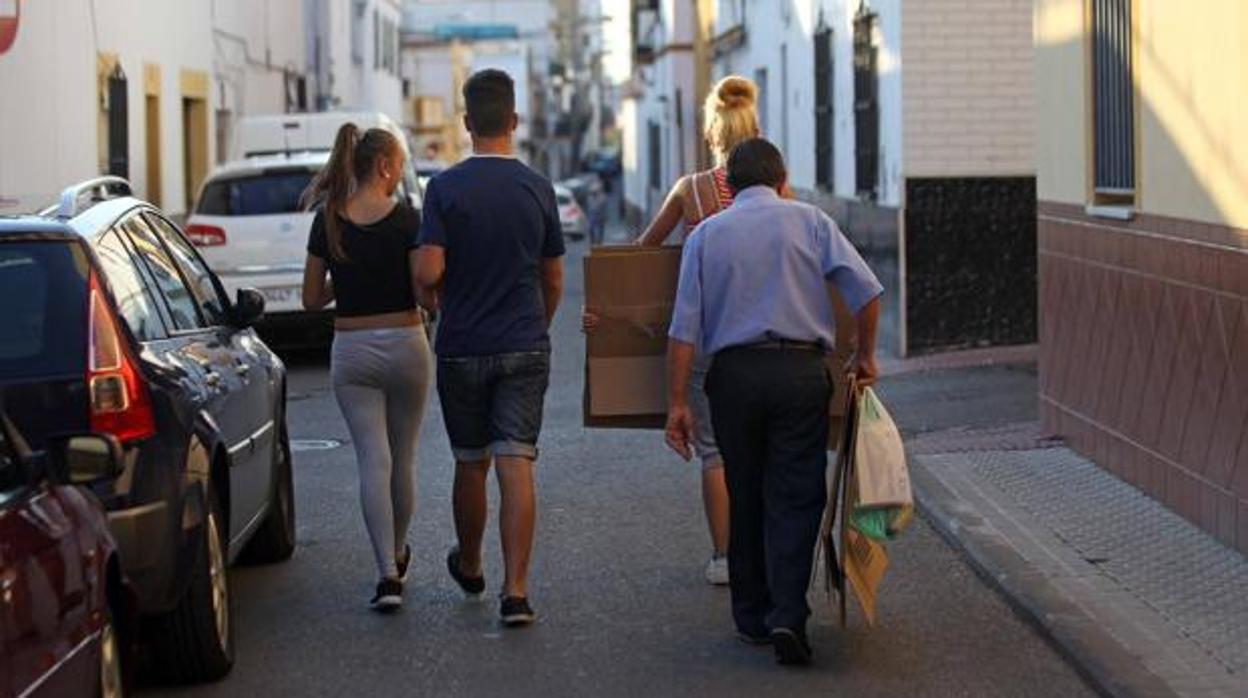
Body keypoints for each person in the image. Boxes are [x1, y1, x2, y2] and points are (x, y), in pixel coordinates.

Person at [666, 138, 883, 666]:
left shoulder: (708, 234)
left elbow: (683, 329)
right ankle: (788, 612)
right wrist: (865, 355)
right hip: (800, 374)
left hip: (734, 378)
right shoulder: (811, 221)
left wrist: (676, 402)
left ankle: (752, 615)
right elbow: (867, 291)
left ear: (731, 187)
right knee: (797, 493)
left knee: (745, 491)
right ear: (782, 180)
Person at [583, 75, 762, 586]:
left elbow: (642, 256)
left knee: (715, 452)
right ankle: (763, 550)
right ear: (755, 132)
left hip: (705, 340)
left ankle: (724, 557)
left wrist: (608, 317)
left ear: (710, 134)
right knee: (761, 448)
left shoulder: (691, 191)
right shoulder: (777, 187)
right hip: (763, 337)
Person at [415, 69, 565, 628]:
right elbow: (554, 279)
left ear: (467, 123)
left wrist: (434, 299)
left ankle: (472, 563)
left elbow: (430, 269)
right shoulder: (537, 187)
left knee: (470, 462)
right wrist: (538, 326)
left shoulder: (444, 189)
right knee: (517, 460)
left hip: (462, 346)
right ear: (514, 122)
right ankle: (518, 592)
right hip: (524, 340)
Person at [301, 124, 431, 612]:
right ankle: (399, 553)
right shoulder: (408, 221)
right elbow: (423, 289)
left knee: (372, 462)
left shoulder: (328, 220)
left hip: (352, 348)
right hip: (405, 343)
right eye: (398, 166)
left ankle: (385, 576)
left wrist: (346, 279)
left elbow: (312, 299)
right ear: (383, 166)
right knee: (404, 458)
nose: (399, 175)